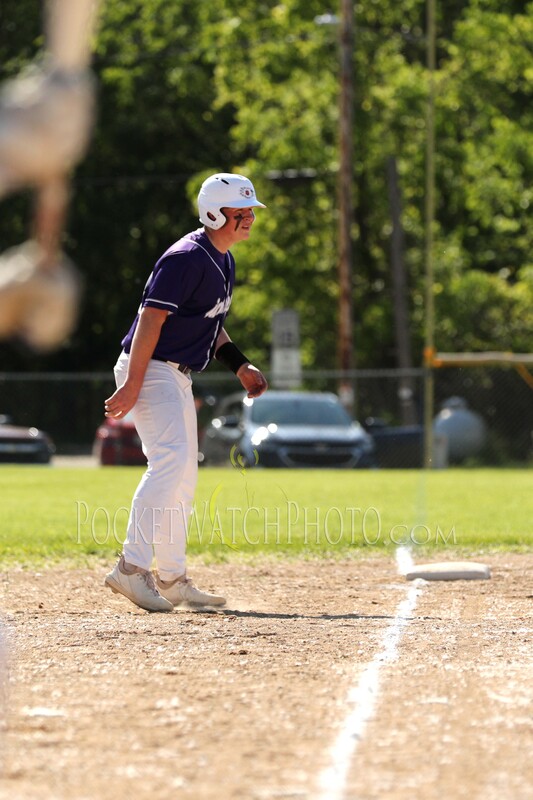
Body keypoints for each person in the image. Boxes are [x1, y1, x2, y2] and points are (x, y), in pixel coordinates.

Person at [104, 173, 268, 612]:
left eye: (250, 210)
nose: (249, 217)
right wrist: (133, 383)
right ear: (214, 213)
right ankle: (131, 569)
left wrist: (240, 365)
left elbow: (210, 324)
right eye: (241, 211)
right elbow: (150, 321)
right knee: (171, 462)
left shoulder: (222, 259)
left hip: (172, 373)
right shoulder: (185, 258)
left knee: (183, 475)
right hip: (151, 368)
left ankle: (173, 578)